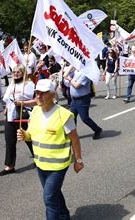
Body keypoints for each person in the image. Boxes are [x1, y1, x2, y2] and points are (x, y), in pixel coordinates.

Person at [17, 79, 84, 219]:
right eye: (37, 93)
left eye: (43, 93)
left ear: (53, 95)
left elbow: (74, 138)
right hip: (40, 163)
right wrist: (25, 135)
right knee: (54, 193)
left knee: (49, 199)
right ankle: (64, 215)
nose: (38, 96)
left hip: (58, 166)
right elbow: (31, 135)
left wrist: (78, 160)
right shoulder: (35, 111)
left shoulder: (64, 115)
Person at [0, 64, 36, 176]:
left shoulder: (29, 84)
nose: (15, 74)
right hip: (11, 116)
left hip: (23, 115)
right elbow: (8, 99)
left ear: (23, 73)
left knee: (28, 139)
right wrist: (6, 109)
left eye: (18, 72)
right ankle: (9, 166)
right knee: (9, 141)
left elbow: (35, 101)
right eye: (14, 72)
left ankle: (38, 158)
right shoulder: (11, 85)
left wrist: (21, 103)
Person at [64, 69, 103, 140]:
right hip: (74, 99)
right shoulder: (75, 71)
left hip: (83, 99)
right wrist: (72, 65)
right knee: (72, 117)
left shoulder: (86, 73)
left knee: (85, 118)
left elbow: (76, 85)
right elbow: (64, 75)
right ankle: (72, 133)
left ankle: (97, 129)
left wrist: (70, 79)